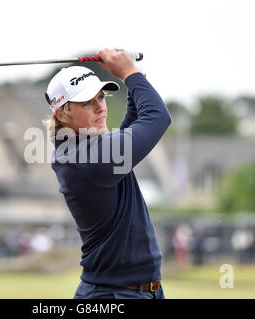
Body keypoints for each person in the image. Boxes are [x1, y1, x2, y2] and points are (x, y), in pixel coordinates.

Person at [43, 48, 172, 299]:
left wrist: (131, 74)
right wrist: (129, 73)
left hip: (133, 291)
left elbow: (133, 124)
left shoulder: (82, 150)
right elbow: (156, 118)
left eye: (101, 98)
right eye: (86, 102)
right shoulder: (89, 157)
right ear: (61, 113)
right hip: (115, 295)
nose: (100, 108)